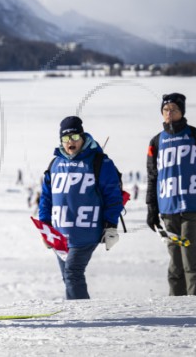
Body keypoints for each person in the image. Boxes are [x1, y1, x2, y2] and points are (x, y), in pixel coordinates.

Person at [38, 116, 124, 300]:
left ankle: (82, 318)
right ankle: (76, 319)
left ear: (83, 137)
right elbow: (46, 197)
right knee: (68, 277)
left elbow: (113, 196)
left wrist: (110, 225)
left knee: (72, 273)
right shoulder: (55, 164)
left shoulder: (100, 162)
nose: (71, 142)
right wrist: (45, 228)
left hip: (86, 232)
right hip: (60, 234)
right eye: (65, 139)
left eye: (75, 137)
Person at [146, 93, 196, 296]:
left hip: (193, 204)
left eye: (174, 109)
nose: (169, 113)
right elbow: (153, 177)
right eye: (166, 110)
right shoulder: (156, 142)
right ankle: (177, 303)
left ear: (182, 112)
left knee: (190, 252)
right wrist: (151, 208)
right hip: (167, 207)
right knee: (175, 257)